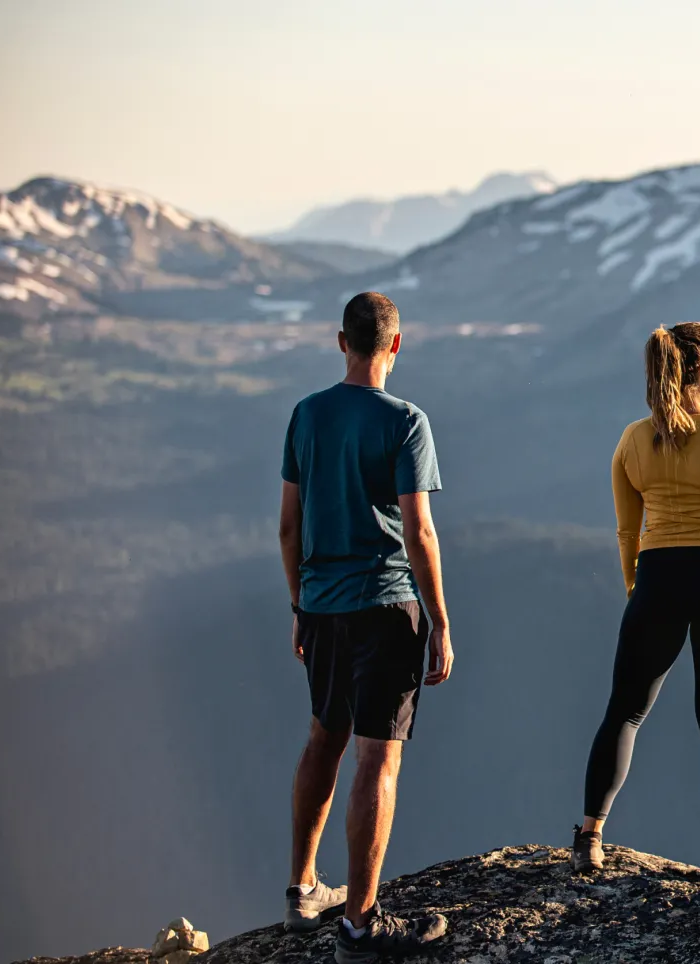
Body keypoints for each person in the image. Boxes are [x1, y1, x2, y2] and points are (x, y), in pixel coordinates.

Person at [280, 292, 454, 963]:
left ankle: (301, 892)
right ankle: (359, 923)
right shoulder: (406, 422)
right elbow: (418, 530)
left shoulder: (306, 415)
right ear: (396, 346)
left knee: (324, 734)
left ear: (340, 341)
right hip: (385, 607)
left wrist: (301, 604)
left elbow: (288, 526)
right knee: (377, 755)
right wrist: (438, 620)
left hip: (321, 606)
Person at [575, 321, 700, 885]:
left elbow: (626, 533)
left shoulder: (633, 441)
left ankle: (589, 837)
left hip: (658, 578)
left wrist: (636, 591)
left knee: (625, 711)